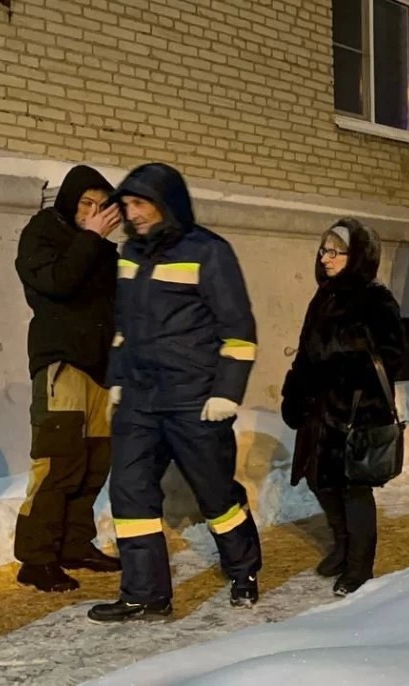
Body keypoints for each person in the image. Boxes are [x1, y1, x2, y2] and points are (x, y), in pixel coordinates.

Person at [88, 163, 262, 622]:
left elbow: (239, 330)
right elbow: (124, 330)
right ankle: (146, 594)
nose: (132, 213)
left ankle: (243, 569)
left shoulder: (209, 252)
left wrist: (226, 392)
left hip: (194, 400)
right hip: (140, 400)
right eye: (126, 205)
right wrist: (118, 382)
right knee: (130, 493)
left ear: (167, 204)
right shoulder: (129, 254)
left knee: (215, 495)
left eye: (140, 203)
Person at [13, 165, 123, 592]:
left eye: (102, 206)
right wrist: (92, 236)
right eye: (87, 204)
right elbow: (56, 283)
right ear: (71, 202)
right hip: (62, 363)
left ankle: (75, 543)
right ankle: (36, 558)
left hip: (101, 369)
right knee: (57, 461)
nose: (95, 213)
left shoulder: (101, 251)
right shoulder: (43, 234)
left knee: (95, 461)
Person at [280, 219, 404, 597]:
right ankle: (342, 544)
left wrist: (343, 371)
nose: (325, 257)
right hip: (321, 412)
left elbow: (392, 356)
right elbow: (306, 352)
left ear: (357, 257)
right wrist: (295, 391)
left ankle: (358, 567)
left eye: (334, 251)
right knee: (321, 480)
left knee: (353, 489)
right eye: (323, 250)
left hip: (356, 412)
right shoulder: (324, 297)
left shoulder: (376, 299)